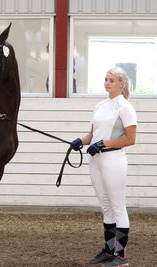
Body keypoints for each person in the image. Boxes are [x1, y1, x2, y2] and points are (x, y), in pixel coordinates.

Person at [71, 67, 136, 267]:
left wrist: (104, 144)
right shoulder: (100, 105)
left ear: (121, 83)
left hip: (113, 160)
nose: (107, 83)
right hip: (96, 160)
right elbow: (93, 135)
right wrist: (80, 141)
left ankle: (121, 256)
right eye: (106, 79)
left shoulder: (124, 107)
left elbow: (130, 139)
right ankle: (109, 251)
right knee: (106, 208)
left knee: (118, 207)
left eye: (112, 80)